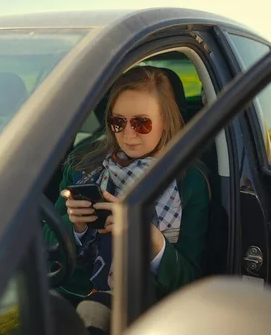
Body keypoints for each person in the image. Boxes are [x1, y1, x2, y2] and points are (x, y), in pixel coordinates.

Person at [43, 65, 210, 334]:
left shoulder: (190, 182)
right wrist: (74, 227)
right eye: (117, 122)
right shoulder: (83, 163)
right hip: (70, 291)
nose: (128, 135)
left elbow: (188, 281)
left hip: (147, 306)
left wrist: (151, 239)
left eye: (142, 123)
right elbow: (46, 243)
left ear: (166, 120)